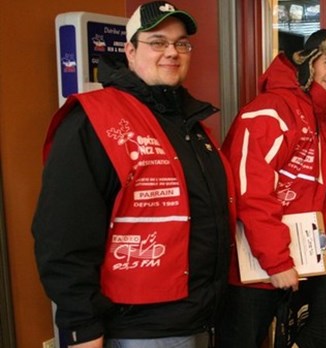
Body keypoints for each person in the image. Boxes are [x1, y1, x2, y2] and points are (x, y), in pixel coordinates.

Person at [32, 2, 235, 347]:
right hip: (140, 331)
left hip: (201, 320)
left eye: (181, 43)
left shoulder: (190, 125)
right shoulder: (93, 120)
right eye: (158, 42)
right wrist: (83, 328)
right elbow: (62, 233)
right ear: (130, 50)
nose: (171, 52)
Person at [217, 29, 326, 347]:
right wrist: (277, 261)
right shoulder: (270, 111)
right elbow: (250, 191)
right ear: (308, 62)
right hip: (258, 265)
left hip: (307, 258)